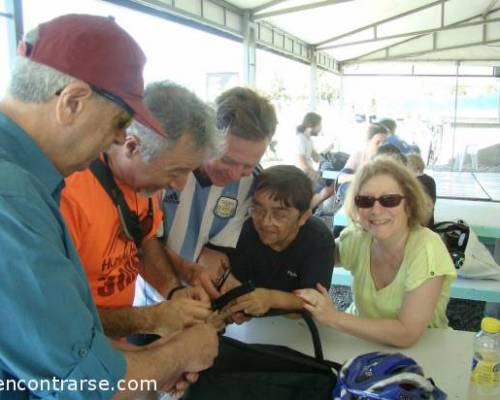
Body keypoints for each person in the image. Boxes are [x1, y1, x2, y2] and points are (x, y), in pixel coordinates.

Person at [0, 14, 217, 399]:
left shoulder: (30, 184)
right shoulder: (13, 200)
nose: (118, 138)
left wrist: (152, 359)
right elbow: (89, 385)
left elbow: (62, 348)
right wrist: (182, 351)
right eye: (120, 121)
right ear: (72, 102)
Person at [61, 81, 221, 339]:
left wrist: (174, 293)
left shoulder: (145, 184)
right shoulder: (69, 195)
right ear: (132, 147)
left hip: (115, 342)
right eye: (176, 172)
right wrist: (153, 319)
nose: (179, 186)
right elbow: (61, 318)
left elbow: (144, 242)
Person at [135, 86, 278, 305]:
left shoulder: (252, 183)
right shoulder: (167, 167)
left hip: (195, 303)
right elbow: (144, 243)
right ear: (208, 139)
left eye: (248, 165)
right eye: (227, 160)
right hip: (144, 299)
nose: (235, 174)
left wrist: (227, 290)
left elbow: (214, 251)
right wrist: (178, 289)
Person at [296, 157, 456, 348]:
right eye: (365, 200)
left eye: (390, 200)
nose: (376, 210)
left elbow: (407, 334)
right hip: (360, 341)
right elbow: (316, 255)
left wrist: (334, 317)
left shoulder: (427, 248)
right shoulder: (358, 238)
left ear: (409, 203)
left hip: (423, 350)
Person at [217, 165, 334, 316]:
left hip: (297, 326)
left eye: (279, 214)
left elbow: (316, 300)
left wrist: (271, 298)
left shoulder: (319, 240)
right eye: (258, 209)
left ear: (303, 217)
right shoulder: (242, 232)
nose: (265, 222)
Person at [295, 112, 335, 209]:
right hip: (301, 175)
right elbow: (302, 164)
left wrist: (328, 149)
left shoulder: (308, 140)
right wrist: (315, 174)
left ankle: (309, 210)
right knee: (327, 190)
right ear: (312, 125)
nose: (320, 128)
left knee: (331, 188)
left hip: (308, 174)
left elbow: (316, 158)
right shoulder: (300, 140)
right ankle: (307, 211)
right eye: (319, 125)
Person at [407, 153, 436, 229]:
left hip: (419, 225)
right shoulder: (430, 180)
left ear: (413, 166)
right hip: (427, 223)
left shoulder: (413, 182)